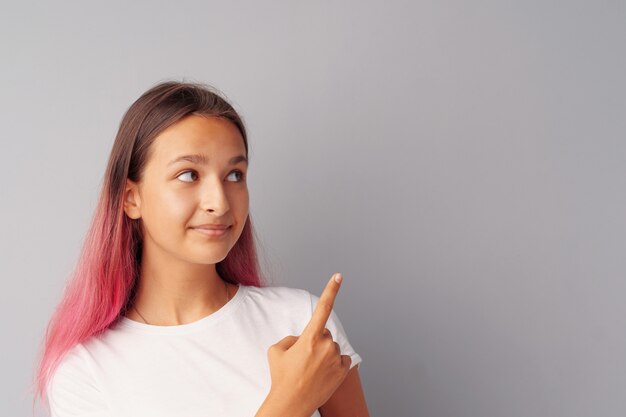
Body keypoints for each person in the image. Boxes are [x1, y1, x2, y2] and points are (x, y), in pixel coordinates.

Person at [32, 80, 370, 416]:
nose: (219, 202)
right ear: (131, 198)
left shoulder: (300, 322)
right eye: (189, 175)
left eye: (234, 175)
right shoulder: (84, 371)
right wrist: (289, 404)